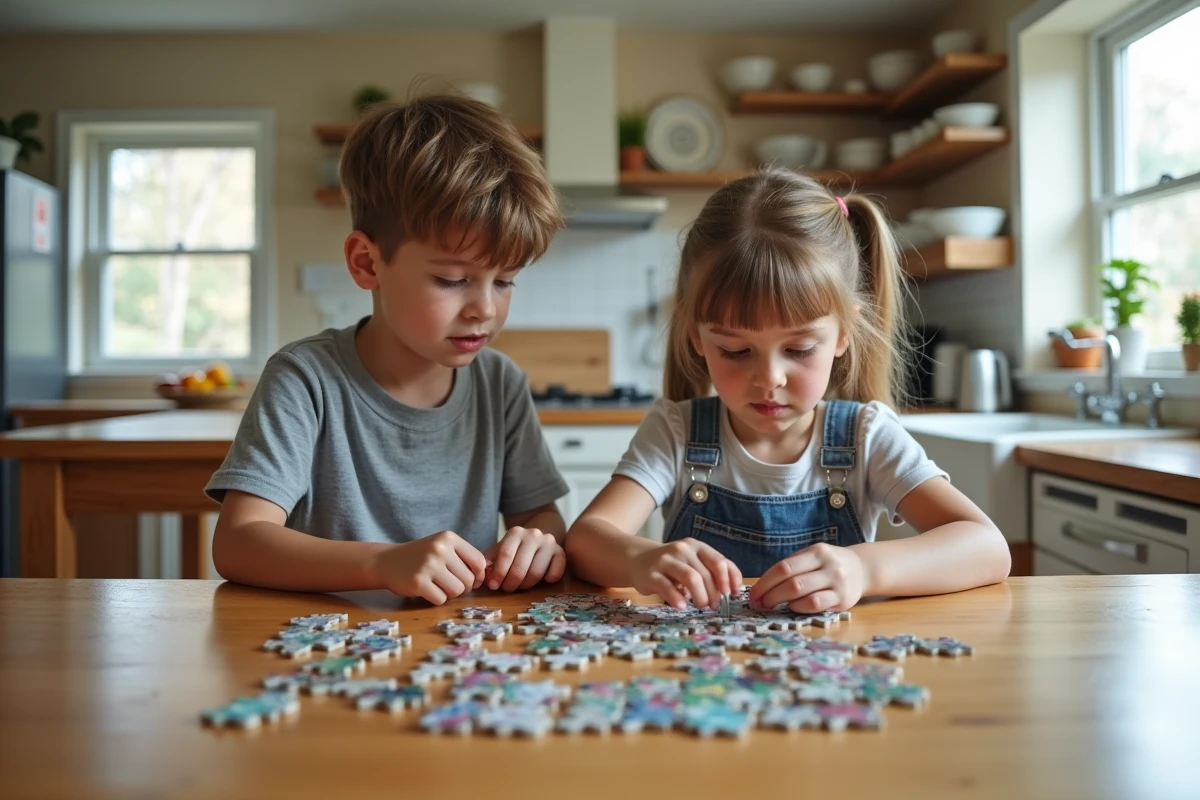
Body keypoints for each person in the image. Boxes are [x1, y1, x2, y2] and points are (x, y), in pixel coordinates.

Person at [565, 169, 1011, 613]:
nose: (770, 378)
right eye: (736, 350)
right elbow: (585, 539)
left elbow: (988, 546)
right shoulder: (676, 431)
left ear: (843, 333)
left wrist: (864, 569)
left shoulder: (865, 436)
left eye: (798, 349)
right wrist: (642, 558)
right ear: (695, 335)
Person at [207, 94, 570, 604]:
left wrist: (537, 543)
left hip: (460, 658)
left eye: (505, 281)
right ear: (367, 263)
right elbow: (239, 542)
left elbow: (540, 517)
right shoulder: (304, 379)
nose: (484, 309)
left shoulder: (499, 383)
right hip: (323, 657)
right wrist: (382, 563)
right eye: (451, 279)